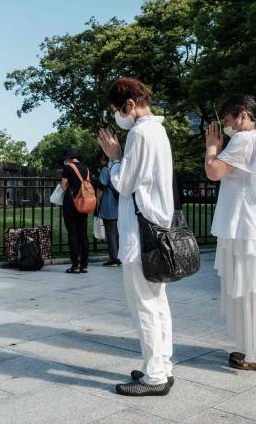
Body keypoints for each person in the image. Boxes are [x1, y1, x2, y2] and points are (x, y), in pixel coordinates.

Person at [98, 77, 175, 396]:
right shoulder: (157, 130)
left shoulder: (141, 134)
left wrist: (115, 158)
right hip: (157, 228)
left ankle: (155, 375)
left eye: (118, 109)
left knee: (143, 303)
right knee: (156, 302)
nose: (118, 116)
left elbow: (126, 183)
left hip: (141, 233)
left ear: (130, 105)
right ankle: (160, 365)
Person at [205, 95, 256, 372]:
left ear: (241, 114)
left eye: (226, 120)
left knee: (249, 286)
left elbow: (213, 171)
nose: (226, 127)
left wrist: (212, 148)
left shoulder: (245, 139)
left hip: (245, 226)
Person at [61, 149, 91, 274]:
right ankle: (84, 265)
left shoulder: (67, 168)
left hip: (71, 203)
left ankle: (75, 266)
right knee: (83, 233)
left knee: (72, 233)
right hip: (84, 202)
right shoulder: (86, 168)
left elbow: (64, 186)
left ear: (68, 158)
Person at [97, 153, 121, 266]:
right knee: (118, 232)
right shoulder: (119, 167)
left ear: (103, 158)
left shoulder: (106, 169)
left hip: (109, 204)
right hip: (120, 205)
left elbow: (101, 187)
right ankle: (120, 256)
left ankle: (113, 258)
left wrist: (97, 202)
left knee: (110, 232)